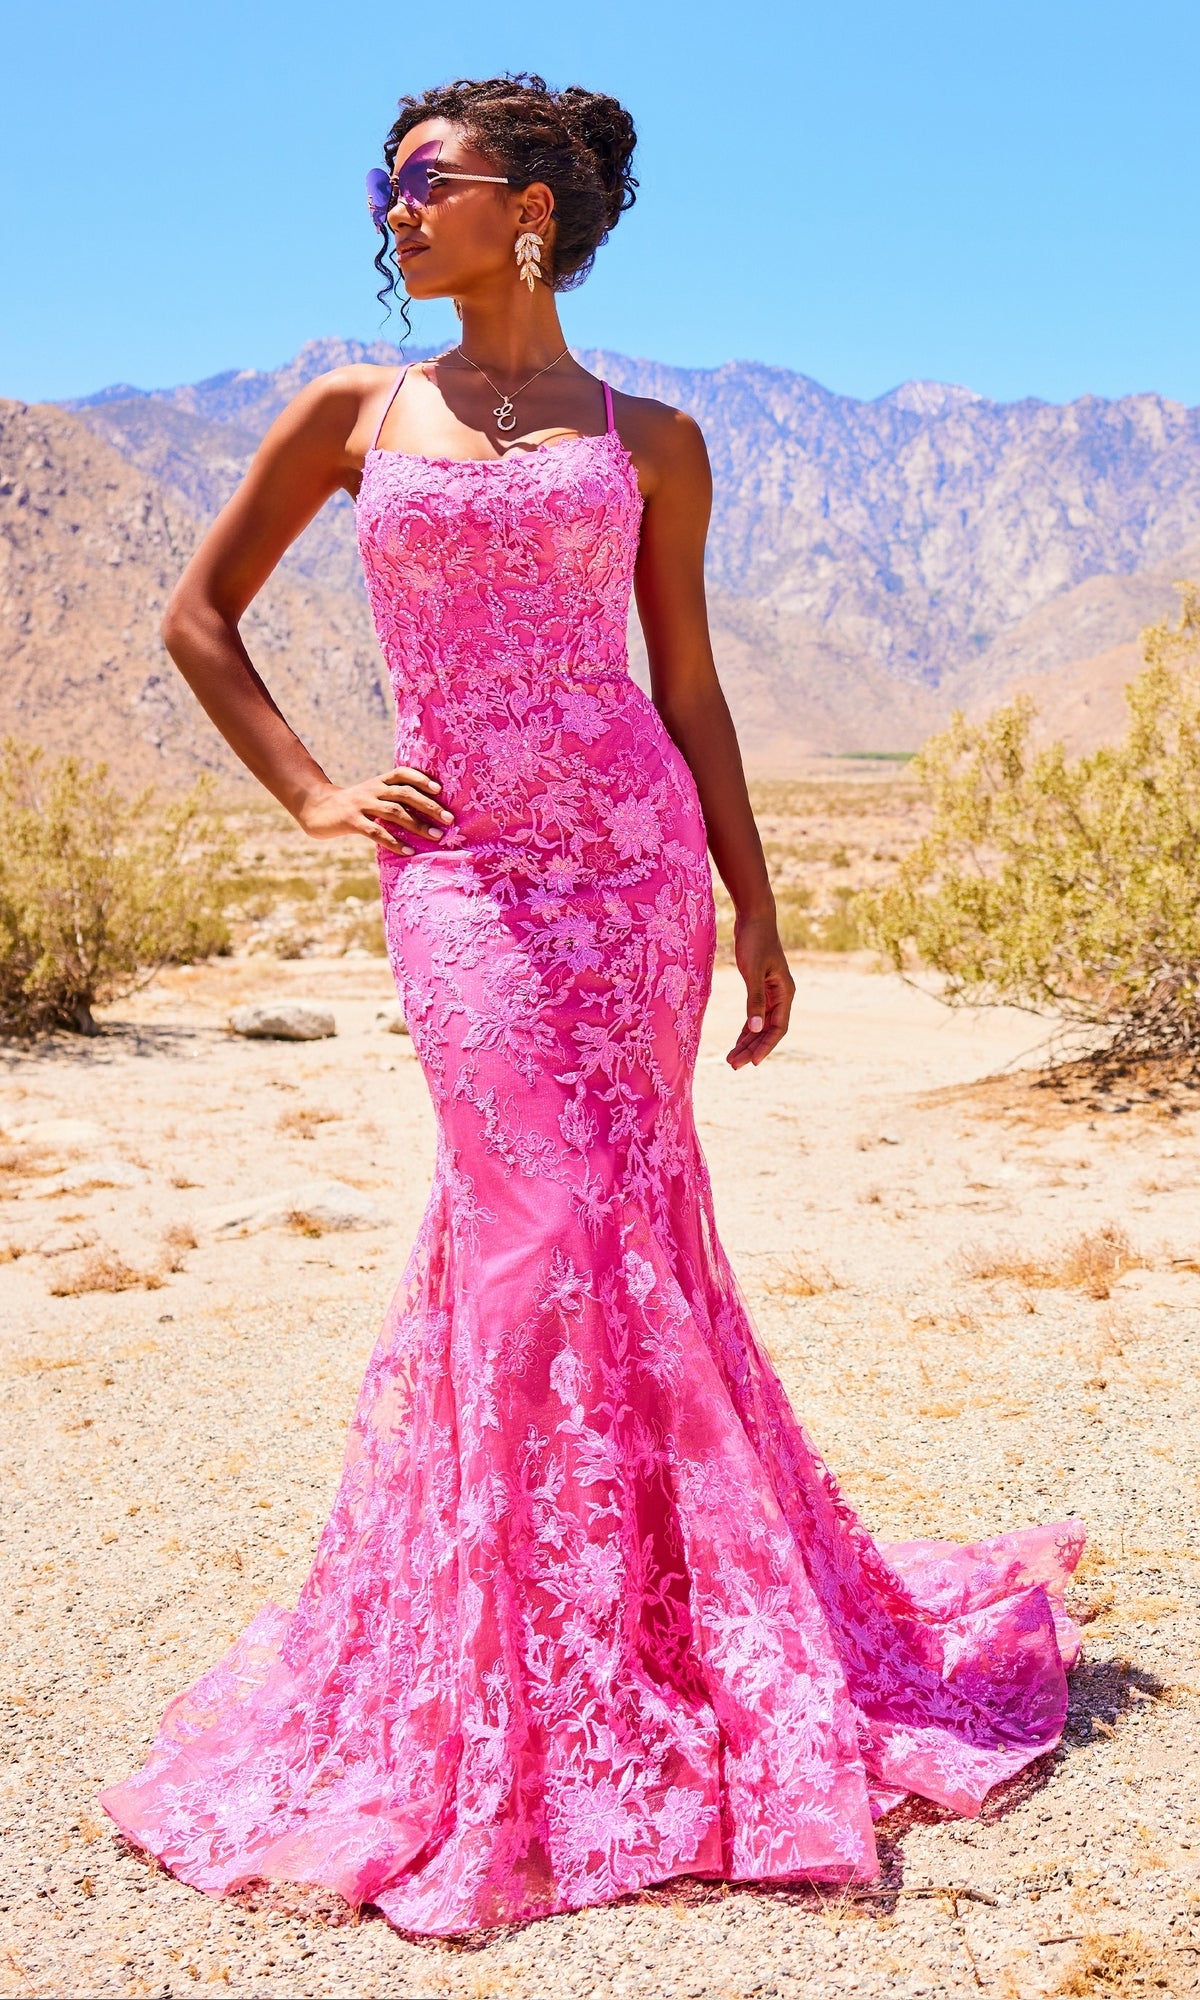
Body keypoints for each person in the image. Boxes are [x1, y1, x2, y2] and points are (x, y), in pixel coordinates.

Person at [100, 73, 1084, 1939]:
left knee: (624, 1230)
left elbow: (692, 693)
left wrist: (759, 910)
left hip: (632, 873)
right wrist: (317, 792)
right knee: (528, 1232)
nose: (394, 209)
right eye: (383, 184)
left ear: (530, 207)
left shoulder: (652, 438)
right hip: (463, 883)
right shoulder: (351, 411)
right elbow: (197, 621)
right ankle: (511, 1673)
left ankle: (651, 1639)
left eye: (428, 181)